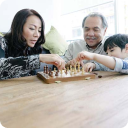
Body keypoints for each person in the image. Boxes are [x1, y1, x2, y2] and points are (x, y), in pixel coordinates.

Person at [0, 9, 65, 80]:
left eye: (39, 30)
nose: (37, 35)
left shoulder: (30, 48)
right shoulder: (2, 42)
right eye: (32, 28)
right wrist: (39, 58)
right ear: (18, 28)